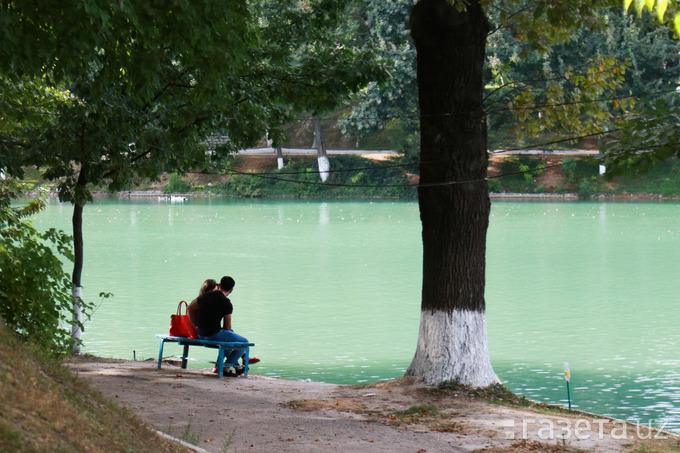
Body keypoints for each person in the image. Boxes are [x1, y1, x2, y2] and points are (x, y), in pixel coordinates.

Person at [188, 276, 248, 376]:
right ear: (231, 290)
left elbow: (190, 308)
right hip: (213, 335)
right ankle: (226, 367)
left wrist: (195, 325)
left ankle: (236, 367)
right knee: (244, 343)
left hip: (201, 334)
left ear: (219, 285)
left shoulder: (205, 296)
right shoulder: (226, 303)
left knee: (227, 340)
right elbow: (227, 327)